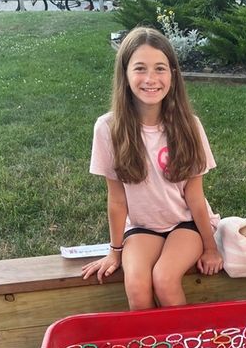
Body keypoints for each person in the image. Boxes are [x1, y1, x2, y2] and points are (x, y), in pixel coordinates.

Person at [82, 27, 223, 310]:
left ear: (172, 74)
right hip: (142, 227)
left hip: (186, 224)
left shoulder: (189, 126)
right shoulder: (107, 128)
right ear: (124, 74)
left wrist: (210, 247)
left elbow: (195, 196)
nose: (150, 79)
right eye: (140, 69)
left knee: (165, 279)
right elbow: (117, 199)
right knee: (135, 284)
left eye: (160, 68)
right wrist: (114, 251)